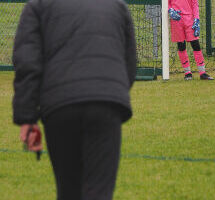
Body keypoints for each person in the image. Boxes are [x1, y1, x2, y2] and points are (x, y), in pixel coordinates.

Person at [12, 0, 136, 199]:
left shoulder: (37, 5)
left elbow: (27, 63)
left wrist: (27, 118)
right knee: (99, 190)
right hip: (105, 106)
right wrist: (110, 90)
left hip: (59, 106)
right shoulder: (116, 4)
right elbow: (129, 62)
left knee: (68, 190)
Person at [168, 0, 214, 80]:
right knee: (181, 45)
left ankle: (202, 73)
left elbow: (194, 4)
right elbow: (167, 2)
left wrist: (196, 19)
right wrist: (170, 9)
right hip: (176, 18)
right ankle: (187, 73)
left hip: (189, 18)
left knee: (195, 44)